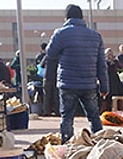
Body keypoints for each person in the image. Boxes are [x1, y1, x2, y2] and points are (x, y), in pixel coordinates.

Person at [46, 4, 109, 143]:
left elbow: (50, 54)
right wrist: (104, 87)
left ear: (66, 18)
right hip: (89, 84)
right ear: (82, 17)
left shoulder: (61, 33)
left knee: (67, 118)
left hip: (67, 83)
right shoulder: (96, 36)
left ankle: (68, 148)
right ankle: (101, 145)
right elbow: (101, 65)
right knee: (94, 117)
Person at [101, 48, 123, 113]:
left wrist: (116, 61)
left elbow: (121, 67)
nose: (110, 55)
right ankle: (107, 108)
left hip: (114, 78)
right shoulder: (104, 61)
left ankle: (116, 107)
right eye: (109, 53)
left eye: (111, 53)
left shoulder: (115, 60)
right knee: (108, 93)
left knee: (116, 92)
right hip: (107, 77)